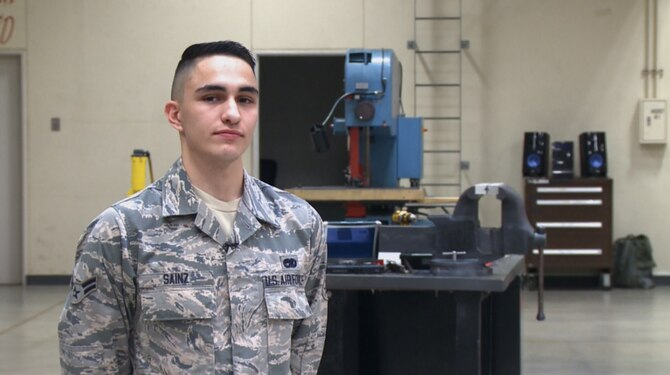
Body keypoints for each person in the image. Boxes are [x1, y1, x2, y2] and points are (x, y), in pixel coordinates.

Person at [58, 40, 328, 374]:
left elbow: (305, 355)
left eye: (245, 100)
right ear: (176, 115)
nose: (231, 113)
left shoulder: (298, 226)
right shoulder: (123, 233)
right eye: (211, 98)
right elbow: (91, 360)